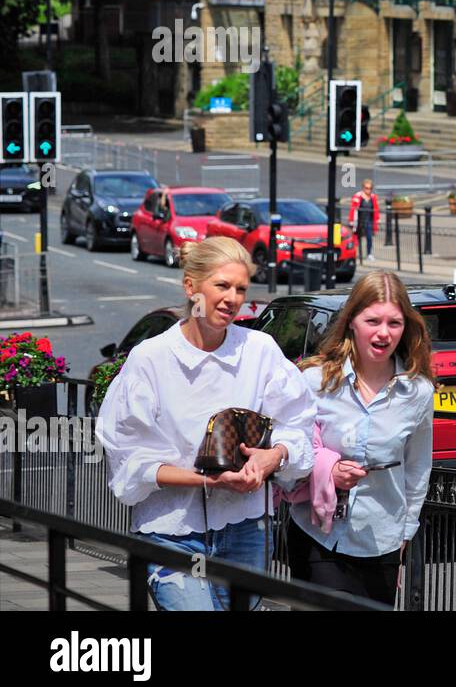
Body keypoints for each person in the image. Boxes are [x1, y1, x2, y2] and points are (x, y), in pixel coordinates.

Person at [97, 236, 315, 611]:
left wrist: (274, 456)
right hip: (172, 531)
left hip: (246, 528)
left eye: (241, 288)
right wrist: (208, 479)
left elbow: (299, 426)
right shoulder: (151, 359)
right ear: (191, 286)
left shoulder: (259, 350)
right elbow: (127, 456)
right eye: (222, 285)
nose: (232, 298)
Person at [287, 271, 435, 605]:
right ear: (352, 320)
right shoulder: (315, 381)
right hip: (318, 536)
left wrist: (404, 535)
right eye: (373, 321)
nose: (384, 333)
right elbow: (290, 457)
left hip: (381, 541)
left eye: (394, 323)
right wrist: (328, 470)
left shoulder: (418, 393)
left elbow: (417, 468)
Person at [349, 179, 380, 262]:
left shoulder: (373, 197)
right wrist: (351, 221)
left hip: (369, 221)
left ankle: (369, 254)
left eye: (370, 188)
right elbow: (353, 209)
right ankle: (354, 254)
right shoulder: (357, 196)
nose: (368, 190)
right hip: (359, 221)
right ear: (363, 188)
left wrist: (377, 220)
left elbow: (376, 209)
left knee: (369, 238)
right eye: (366, 188)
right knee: (356, 238)